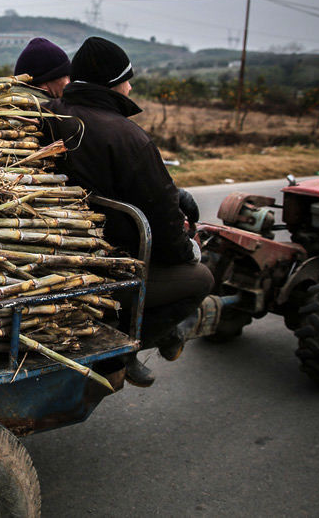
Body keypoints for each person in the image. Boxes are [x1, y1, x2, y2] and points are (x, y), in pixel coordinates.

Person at [41, 36, 213, 387]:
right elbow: (165, 227)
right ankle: (124, 349)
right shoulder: (129, 137)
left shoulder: (48, 116)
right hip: (105, 265)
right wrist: (188, 250)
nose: (131, 86)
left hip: (50, 252)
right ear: (115, 84)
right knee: (201, 279)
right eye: (128, 78)